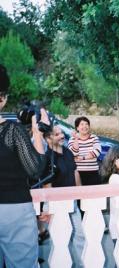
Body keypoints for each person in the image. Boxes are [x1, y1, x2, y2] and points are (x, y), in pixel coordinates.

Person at [0, 64, 47, 267]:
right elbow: (35, 169)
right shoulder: (11, 131)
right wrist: (38, 133)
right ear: (2, 98)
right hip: (14, 210)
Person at [41, 125, 85, 266]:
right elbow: (46, 185)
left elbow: (75, 172)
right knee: (60, 241)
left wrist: (81, 193)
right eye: (57, 134)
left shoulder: (67, 152)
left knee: (80, 236)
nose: (61, 136)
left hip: (72, 202)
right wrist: (50, 208)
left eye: (61, 133)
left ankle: (82, 264)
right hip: (57, 205)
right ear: (48, 138)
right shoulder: (47, 158)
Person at [68, 116, 102, 185]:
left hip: (93, 171)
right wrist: (76, 139)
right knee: (79, 194)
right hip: (77, 172)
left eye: (87, 124)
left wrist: (83, 157)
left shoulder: (94, 138)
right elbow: (73, 153)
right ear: (77, 128)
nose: (85, 126)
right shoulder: (72, 139)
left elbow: (97, 151)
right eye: (82, 124)